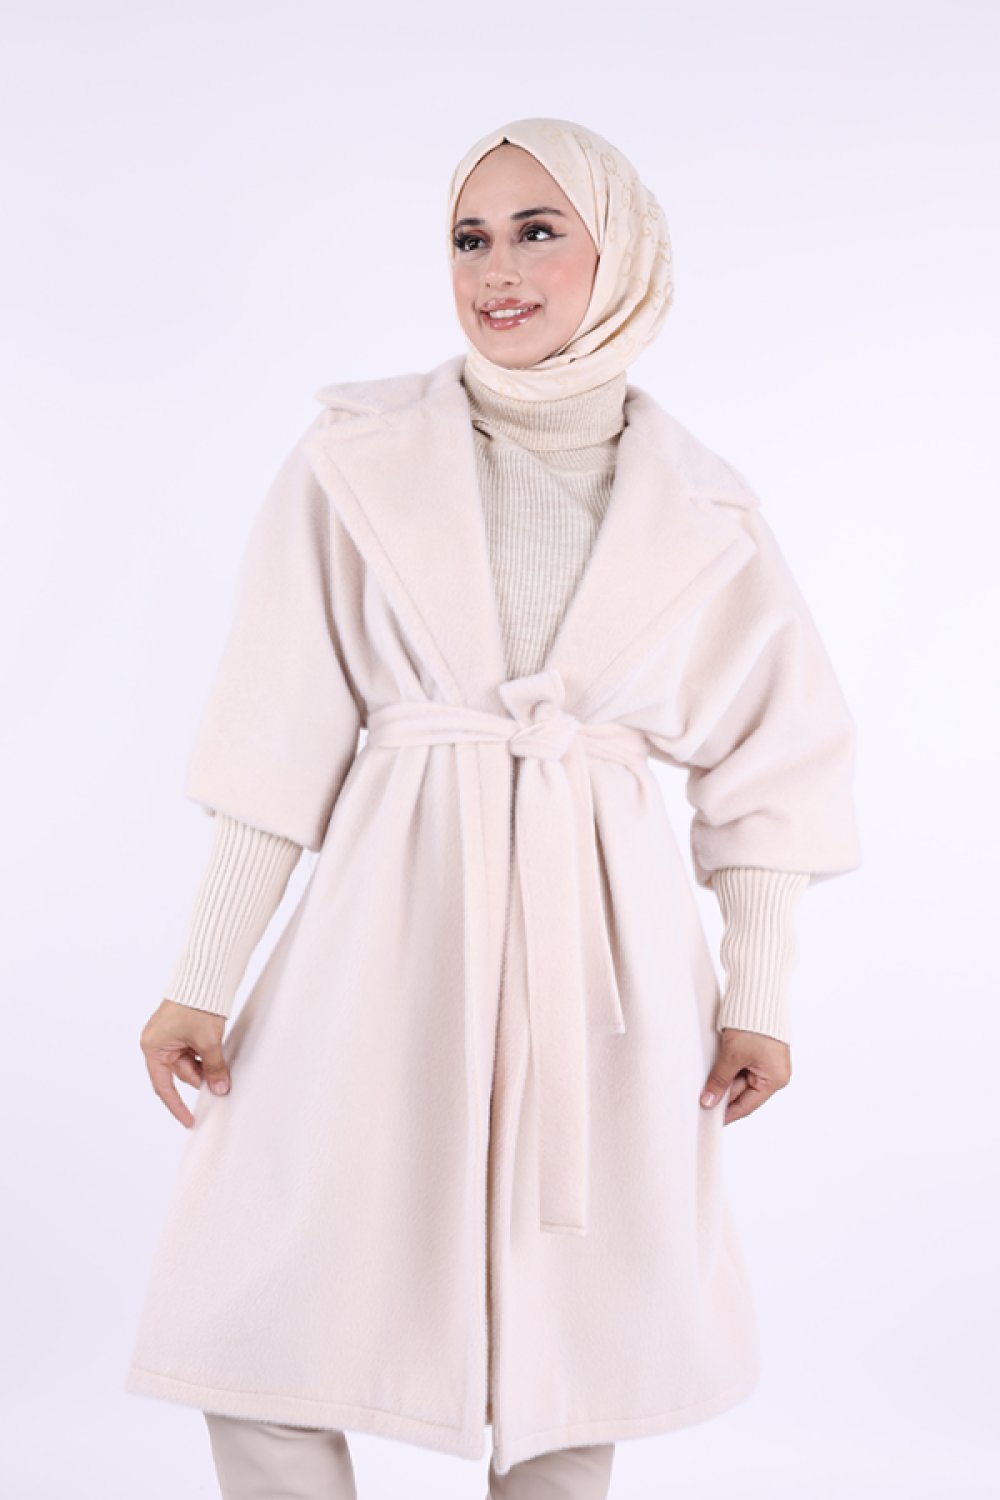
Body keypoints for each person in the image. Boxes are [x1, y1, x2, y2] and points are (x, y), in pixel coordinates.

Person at [125, 117, 862, 1499]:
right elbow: (277, 730)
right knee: (256, 1310)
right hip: (385, 929)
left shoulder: (708, 509)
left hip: (605, 950)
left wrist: (759, 992)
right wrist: (201, 978)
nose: (498, 271)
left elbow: (777, 759)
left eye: (538, 232)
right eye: (470, 238)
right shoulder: (354, 460)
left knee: (573, 1345)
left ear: (621, 256)